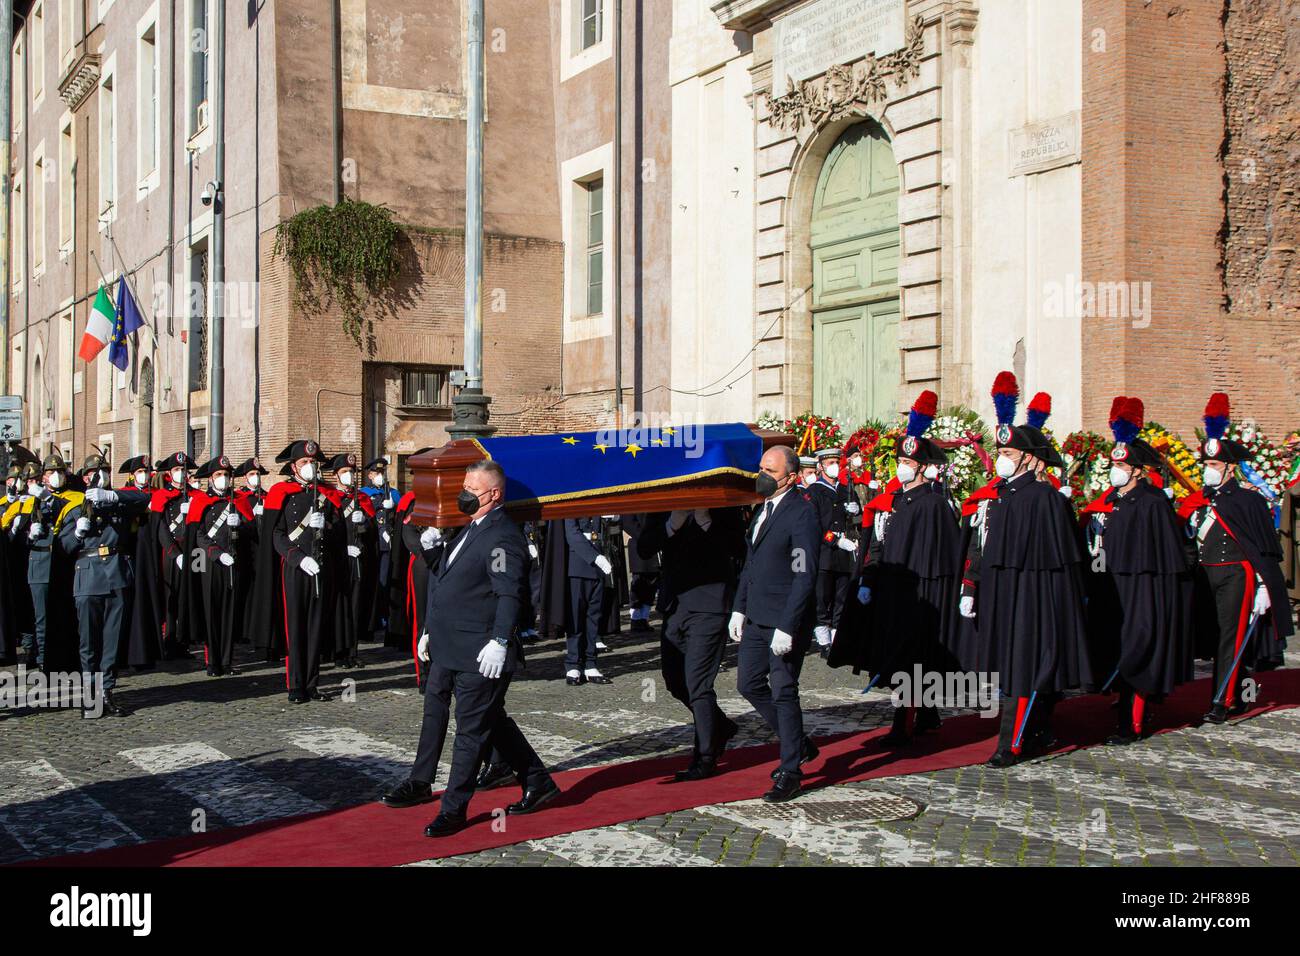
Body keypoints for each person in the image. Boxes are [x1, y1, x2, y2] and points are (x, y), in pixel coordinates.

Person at [382, 460, 559, 837]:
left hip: (480, 650)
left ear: (493, 494)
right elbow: (451, 582)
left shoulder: (502, 536)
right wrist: (429, 628)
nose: (463, 494)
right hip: (449, 643)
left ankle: (454, 809)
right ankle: (537, 781)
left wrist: (499, 641)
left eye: (472, 488)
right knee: (475, 716)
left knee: (471, 729)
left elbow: (509, 592)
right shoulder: (470, 528)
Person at [959, 381, 1092, 767]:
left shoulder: (1046, 499)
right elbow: (984, 548)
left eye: (1008, 452)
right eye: (999, 451)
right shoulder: (1001, 497)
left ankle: (1012, 743)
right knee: (1011, 668)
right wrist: (972, 586)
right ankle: (1037, 731)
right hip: (1004, 593)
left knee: (1023, 670)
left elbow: (1063, 560)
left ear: (1031, 458)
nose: (1001, 458)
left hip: (1034, 596)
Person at [831, 390, 962, 745]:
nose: (902, 467)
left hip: (920, 593)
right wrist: (870, 578)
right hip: (893, 589)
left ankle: (903, 726)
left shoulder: (933, 505)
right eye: (900, 461)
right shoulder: (896, 501)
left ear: (920, 466)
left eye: (908, 462)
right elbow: (881, 543)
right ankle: (925, 715)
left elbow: (943, 555)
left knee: (912, 658)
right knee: (900, 656)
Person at [1080, 397, 1194, 744]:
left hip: (1144, 588)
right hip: (1114, 586)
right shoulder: (1112, 501)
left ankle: (1133, 724)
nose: (1116, 471)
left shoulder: (1153, 503)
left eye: (1123, 466)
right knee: (1115, 647)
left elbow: (1164, 558)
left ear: (1137, 470)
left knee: (1138, 650)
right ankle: (1120, 708)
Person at [1177, 393, 1292, 723]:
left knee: (1232, 638)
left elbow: (1266, 549)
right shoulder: (1200, 501)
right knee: (1216, 639)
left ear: (1229, 468)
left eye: (1213, 465)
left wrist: (1264, 585)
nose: (1207, 470)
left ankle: (1222, 701)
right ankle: (1241, 694)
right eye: (1205, 464)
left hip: (1236, 575)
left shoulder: (1248, 501)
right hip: (1206, 574)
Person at [729, 444, 822, 802]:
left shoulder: (802, 513)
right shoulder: (762, 509)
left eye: (771, 471)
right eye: (761, 468)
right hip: (756, 616)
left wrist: (788, 625)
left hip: (785, 620)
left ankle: (791, 771)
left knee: (784, 691)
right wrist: (739, 608)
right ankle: (799, 742)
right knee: (749, 684)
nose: (763, 476)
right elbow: (751, 566)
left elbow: (804, 574)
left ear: (791, 477)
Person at [638, 507, 746, 781]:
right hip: (676, 604)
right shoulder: (666, 503)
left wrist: (706, 522)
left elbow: (739, 547)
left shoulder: (721, 504)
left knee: (698, 683)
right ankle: (720, 725)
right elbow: (644, 548)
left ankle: (706, 756)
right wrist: (671, 525)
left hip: (710, 602)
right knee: (674, 680)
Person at [57, 454, 151, 716]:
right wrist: (77, 533)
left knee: (112, 640)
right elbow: (64, 546)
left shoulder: (117, 502)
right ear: (85, 477)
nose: (101, 476)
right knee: (89, 642)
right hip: (88, 576)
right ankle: (91, 695)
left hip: (117, 574)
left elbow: (145, 498)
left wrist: (112, 497)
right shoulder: (76, 508)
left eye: (105, 471)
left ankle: (107, 691)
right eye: (96, 472)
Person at [268, 440, 338, 703]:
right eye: (304, 463)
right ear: (293, 467)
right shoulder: (282, 493)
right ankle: (295, 684)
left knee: (316, 627)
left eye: (312, 462)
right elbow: (276, 535)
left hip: (320, 566)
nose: (310, 467)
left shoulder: (326, 493)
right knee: (295, 627)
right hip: (296, 568)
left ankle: (312, 683)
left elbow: (339, 531)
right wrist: (297, 558)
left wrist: (328, 526)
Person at [8, 453, 84, 674]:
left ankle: (69, 658)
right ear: (44, 477)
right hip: (40, 561)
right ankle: (43, 659)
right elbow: (14, 536)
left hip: (64, 561)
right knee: (42, 617)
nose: (56, 476)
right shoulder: (32, 500)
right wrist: (28, 535)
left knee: (67, 613)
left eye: (60, 472)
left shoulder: (74, 498)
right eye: (51, 473)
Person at [187, 455, 253, 677]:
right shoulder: (201, 501)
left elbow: (252, 533)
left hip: (233, 562)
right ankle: (212, 661)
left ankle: (226, 660)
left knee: (229, 612)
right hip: (209, 564)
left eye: (226, 475)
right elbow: (197, 534)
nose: (223, 479)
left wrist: (241, 525)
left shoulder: (238, 500)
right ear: (210, 479)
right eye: (219, 475)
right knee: (211, 612)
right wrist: (216, 553)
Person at [806, 446, 860, 656]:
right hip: (825, 554)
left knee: (842, 598)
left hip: (845, 555)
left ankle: (838, 639)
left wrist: (856, 511)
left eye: (836, 462)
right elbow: (814, 526)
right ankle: (823, 641)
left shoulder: (846, 489)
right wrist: (834, 541)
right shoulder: (814, 492)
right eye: (830, 463)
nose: (834, 466)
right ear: (820, 466)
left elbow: (858, 521)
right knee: (822, 598)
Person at [328, 453, 377, 669]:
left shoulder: (362, 498)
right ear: (336, 475)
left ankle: (353, 651)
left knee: (356, 605)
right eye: (345, 472)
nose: (350, 475)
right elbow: (326, 528)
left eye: (352, 472)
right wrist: (342, 547)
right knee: (339, 605)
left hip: (359, 556)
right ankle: (337, 651)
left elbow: (374, 529)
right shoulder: (330, 497)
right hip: (338, 558)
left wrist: (365, 522)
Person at [155, 452, 198, 660]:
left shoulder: (195, 495)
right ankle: (169, 639)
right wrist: (174, 553)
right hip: (171, 552)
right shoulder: (163, 495)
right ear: (169, 473)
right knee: (171, 598)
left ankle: (185, 641)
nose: (181, 473)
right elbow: (161, 528)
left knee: (187, 596)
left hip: (192, 551)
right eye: (177, 470)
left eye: (183, 470)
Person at [562, 515, 615, 684]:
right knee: (576, 618)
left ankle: (590, 663)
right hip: (578, 564)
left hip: (599, 566)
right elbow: (572, 533)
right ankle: (573, 664)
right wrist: (595, 557)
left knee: (594, 618)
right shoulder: (572, 500)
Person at [361, 457, 401, 644]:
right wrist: (377, 505)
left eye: (382, 473)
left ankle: (384, 617)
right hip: (371, 543)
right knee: (372, 580)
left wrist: (395, 508)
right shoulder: (364, 493)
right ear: (369, 475)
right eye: (377, 473)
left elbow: (402, 515)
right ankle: (371, 618)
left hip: (388, 544)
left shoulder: (392, 493)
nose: (380, 476)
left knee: (386, 579)